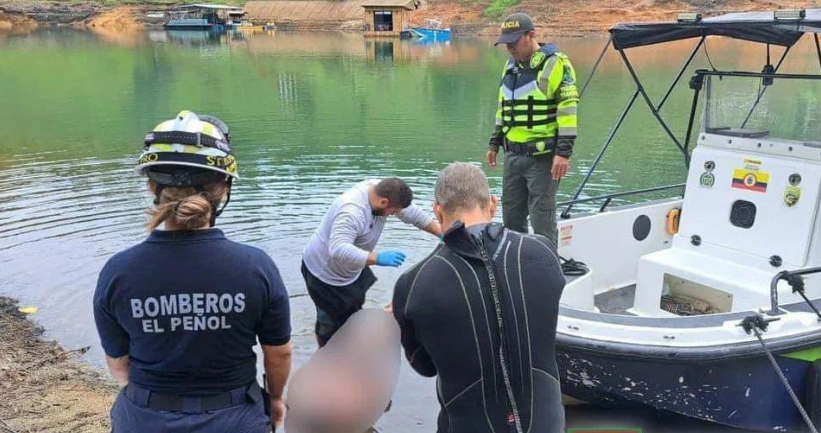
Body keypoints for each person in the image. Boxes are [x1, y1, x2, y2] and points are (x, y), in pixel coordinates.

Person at [93, 111, 292, 432]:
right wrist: (277, 399)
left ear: (152, 185)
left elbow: (119, 365)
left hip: (145, 419)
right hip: (235, 419)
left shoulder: (118, 271)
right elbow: (279, 353)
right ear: (224, 188)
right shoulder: (256, 267)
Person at [393, 162, 566, 433]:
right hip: (546, 424)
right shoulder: (543, 253)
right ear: (493, 204)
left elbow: (425, 367)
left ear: (437, 210)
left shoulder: (413, 284)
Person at [302, 178, 442, 347]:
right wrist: (378, 258)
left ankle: (351, 339)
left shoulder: (383, 192)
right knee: (329, 324)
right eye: (392, 212)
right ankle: (328, 357)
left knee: (351, 312)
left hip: (353, 269)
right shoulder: (352, 211)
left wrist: (442, 233)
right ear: (384, 202)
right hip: (325, 273)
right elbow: (338, 249)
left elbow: (411, 214)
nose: (393, 215)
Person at [486, 12, 580, 247]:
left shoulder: (556, 64)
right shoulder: (510, 66)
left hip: (542, 157)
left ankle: (547, 265)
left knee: (542, 215)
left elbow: (568, 109)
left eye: (514, 42)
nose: (509, 48)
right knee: (511, 214)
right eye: (506, 43)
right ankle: (517, 262)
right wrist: (494, 142)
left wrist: (563, 152)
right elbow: (503, 106)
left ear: (531, 35)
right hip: (513, 155)